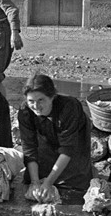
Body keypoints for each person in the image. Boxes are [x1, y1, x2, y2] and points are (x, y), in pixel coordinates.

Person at [17, 74, 93, 203]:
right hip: (46, 137)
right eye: (31, 101)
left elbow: (68, 149)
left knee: (74, 182)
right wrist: (35, 182)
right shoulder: (25, 111)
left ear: (52, 97)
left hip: (74, 140)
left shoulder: (69, 106)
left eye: (41, 100)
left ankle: (90, 170)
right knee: (32, 179)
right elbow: (29, 147)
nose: (36, 106)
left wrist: (48, 182)